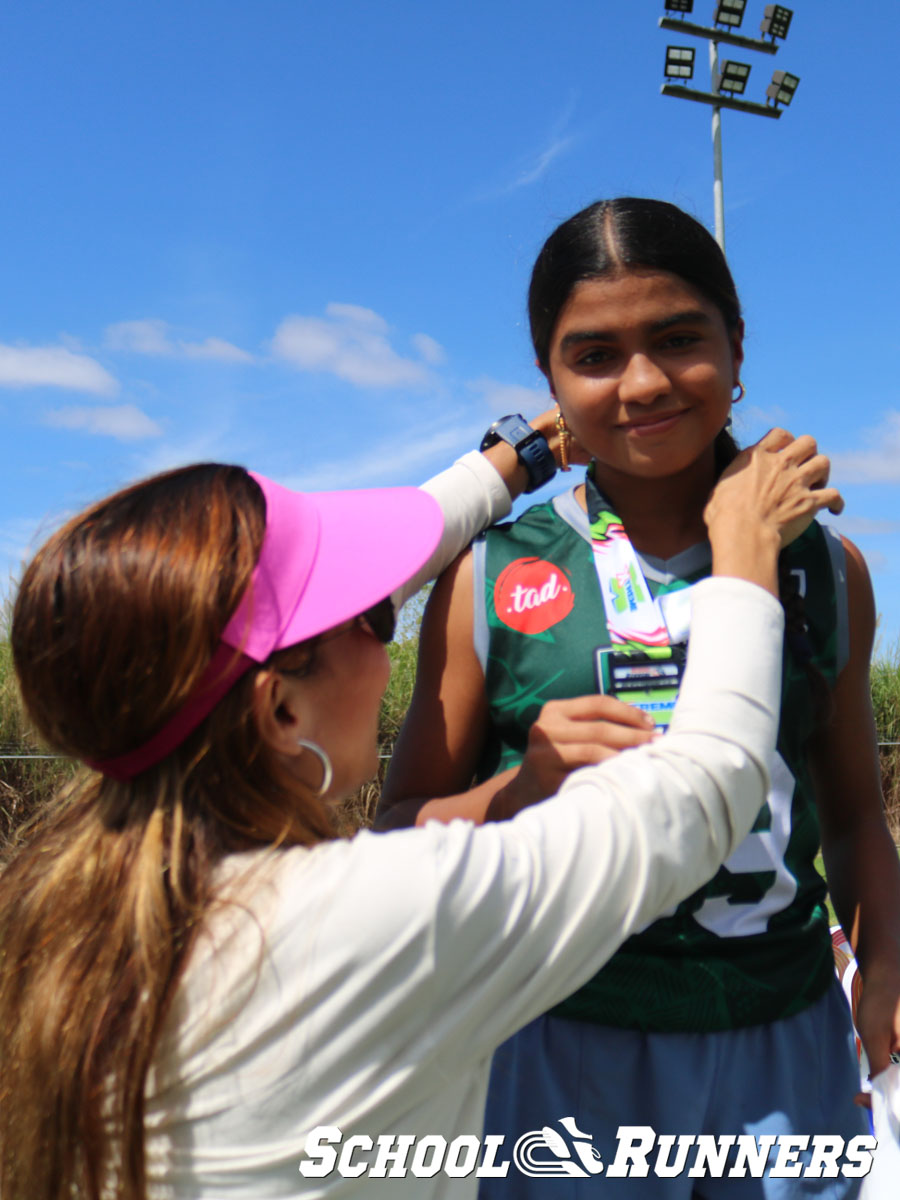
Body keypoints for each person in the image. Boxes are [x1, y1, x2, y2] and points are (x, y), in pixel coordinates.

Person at [0, 423, 838, 1199]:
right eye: (370, 615)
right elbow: (713, 781)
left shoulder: (52, 916)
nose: (390, 633)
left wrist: (519, 453)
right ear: (280, 713)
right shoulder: (367, 917)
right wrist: (743, 550)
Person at [378, 198, 900, 1196]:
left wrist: (886, 966)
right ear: (551, 380)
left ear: (737, 347)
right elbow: (403, 828)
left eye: (678, 340)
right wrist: (523, 788)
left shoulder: (830, 571)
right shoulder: (492, 575)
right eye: (596, 355)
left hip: (785, 1042)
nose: (646, 382)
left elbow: (853, 813)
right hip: (561, 1042)